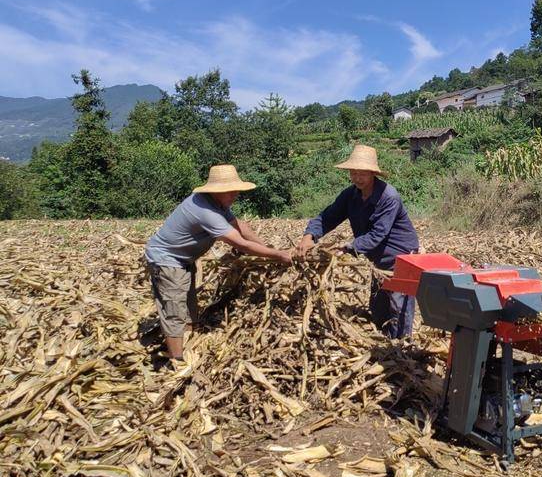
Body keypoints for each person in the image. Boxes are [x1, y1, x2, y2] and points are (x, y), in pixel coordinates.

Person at [144, 165, 292, 361]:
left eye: (236, 189)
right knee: (174, 311)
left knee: (188, 306)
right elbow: (241, 244)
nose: (236, 194)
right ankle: (177, 363)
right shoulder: (206, 211)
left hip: (183, 259)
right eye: (231, 190)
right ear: (216, 191)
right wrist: (278, 256)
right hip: (167, 260)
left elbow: (241, 227)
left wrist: (267, 248)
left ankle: (189, 347)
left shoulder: (218, 205)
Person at [294, 145, 420, 338]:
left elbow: (378, 234)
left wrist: (348, 247)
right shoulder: (350, 195)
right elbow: (328, 216)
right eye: (354, 173)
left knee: (398, 304)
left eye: (362, 174)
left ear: (372, 174)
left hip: (401, 255)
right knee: (378, 307)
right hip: (378, 258)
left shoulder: (389, 197)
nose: (357, 178)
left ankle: (402, 347)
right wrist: (309, 235)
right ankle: (383, 339)